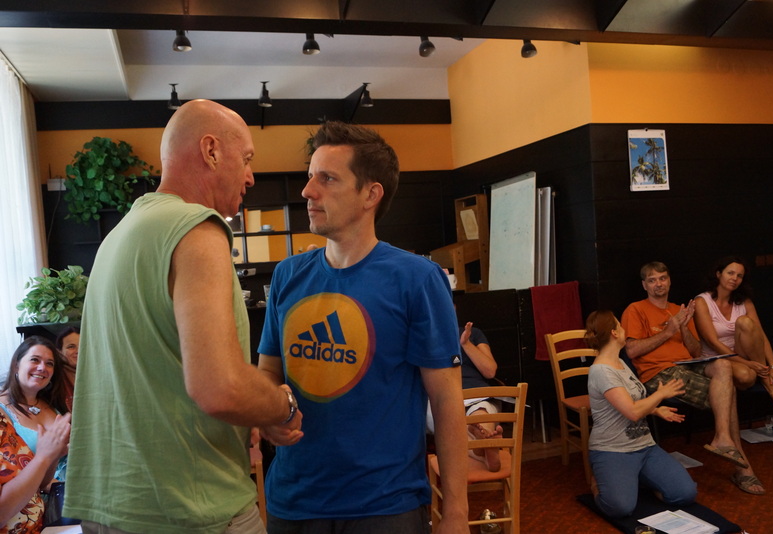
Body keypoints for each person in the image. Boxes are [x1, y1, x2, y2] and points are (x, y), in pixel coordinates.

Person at [64, 99, 303, 534]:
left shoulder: (119, 236)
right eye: (246, 159)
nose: (250, 175)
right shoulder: (197, 227)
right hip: (188, 508)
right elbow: (221, 387)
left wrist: (247, 414)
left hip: (109, 505)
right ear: (211, 151)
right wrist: (279, 407)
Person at [258, 121, 469, 533]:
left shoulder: (417, 278)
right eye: (310, 177)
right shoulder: (287, 276)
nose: (308, 191)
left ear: (371, 194)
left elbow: (446, 401)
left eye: (327, 178)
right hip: (293, 500)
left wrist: (457, 513)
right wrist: (268, 413)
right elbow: (268, 371)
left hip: (386, 505)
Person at [621, 261, 765, 495]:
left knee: (723, 365)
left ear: (669, 281)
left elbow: (697, 352)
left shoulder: (678, 309)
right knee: (727, 394)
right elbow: (631, 350)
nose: (659, 284)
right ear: (644, 285)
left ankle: (723, 437)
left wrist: (683, 327)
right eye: (652, 280)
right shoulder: (635, 309)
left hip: (687, 365)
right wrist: (669, 331)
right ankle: (742, 468)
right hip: (658, 373)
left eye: (663, 278)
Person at [585, 310, 696, 518]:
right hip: (612, 450)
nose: (623, 329)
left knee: (685, 494)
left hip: (645, 447)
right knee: (620, 508)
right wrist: (661, 394)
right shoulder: (601, 371)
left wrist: (655, 410)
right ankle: (597, 482)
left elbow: (630, 402)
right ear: (614, 333)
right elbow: (633, 411)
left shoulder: (621, 363)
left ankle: (637, 479)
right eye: (620, 325)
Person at [693, 256, 773, 403]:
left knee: (745, 322)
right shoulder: (702, 301)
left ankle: (764, 377)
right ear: (718, 274)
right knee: (746, 376)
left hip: (742, 354)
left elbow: (760, 335)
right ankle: (760, 375)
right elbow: (712, 342)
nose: (734, 278)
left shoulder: (744, 302)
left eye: (739, 276)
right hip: (716, 359)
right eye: (730, 273)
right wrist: (748, 364)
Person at [426, 320, 504, 472]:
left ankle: (482, 444)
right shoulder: (423, 336)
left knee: (481, 414)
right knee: (449, 422)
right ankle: (484, 450)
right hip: (440, 396)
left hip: (476, 393)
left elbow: (490, 371)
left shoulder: (474, 334)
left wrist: (466, 344)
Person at [0, 336, 70, 483]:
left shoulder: (53, 403)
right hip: (40, 493)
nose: (42, 368)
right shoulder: (2, 410)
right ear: (16, 365)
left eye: (49, 363)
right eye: (35, 360)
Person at [0, 403, 70, 533]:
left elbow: (38, 484)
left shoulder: (2, 419)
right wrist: (43, 458)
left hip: (43, 525)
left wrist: (54, 456)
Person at [55, 326, 79, 411]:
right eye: (71, 346)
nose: (78, 351)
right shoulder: (54, 379)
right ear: (59, 352)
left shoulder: (98, 376)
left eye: (83, 346)